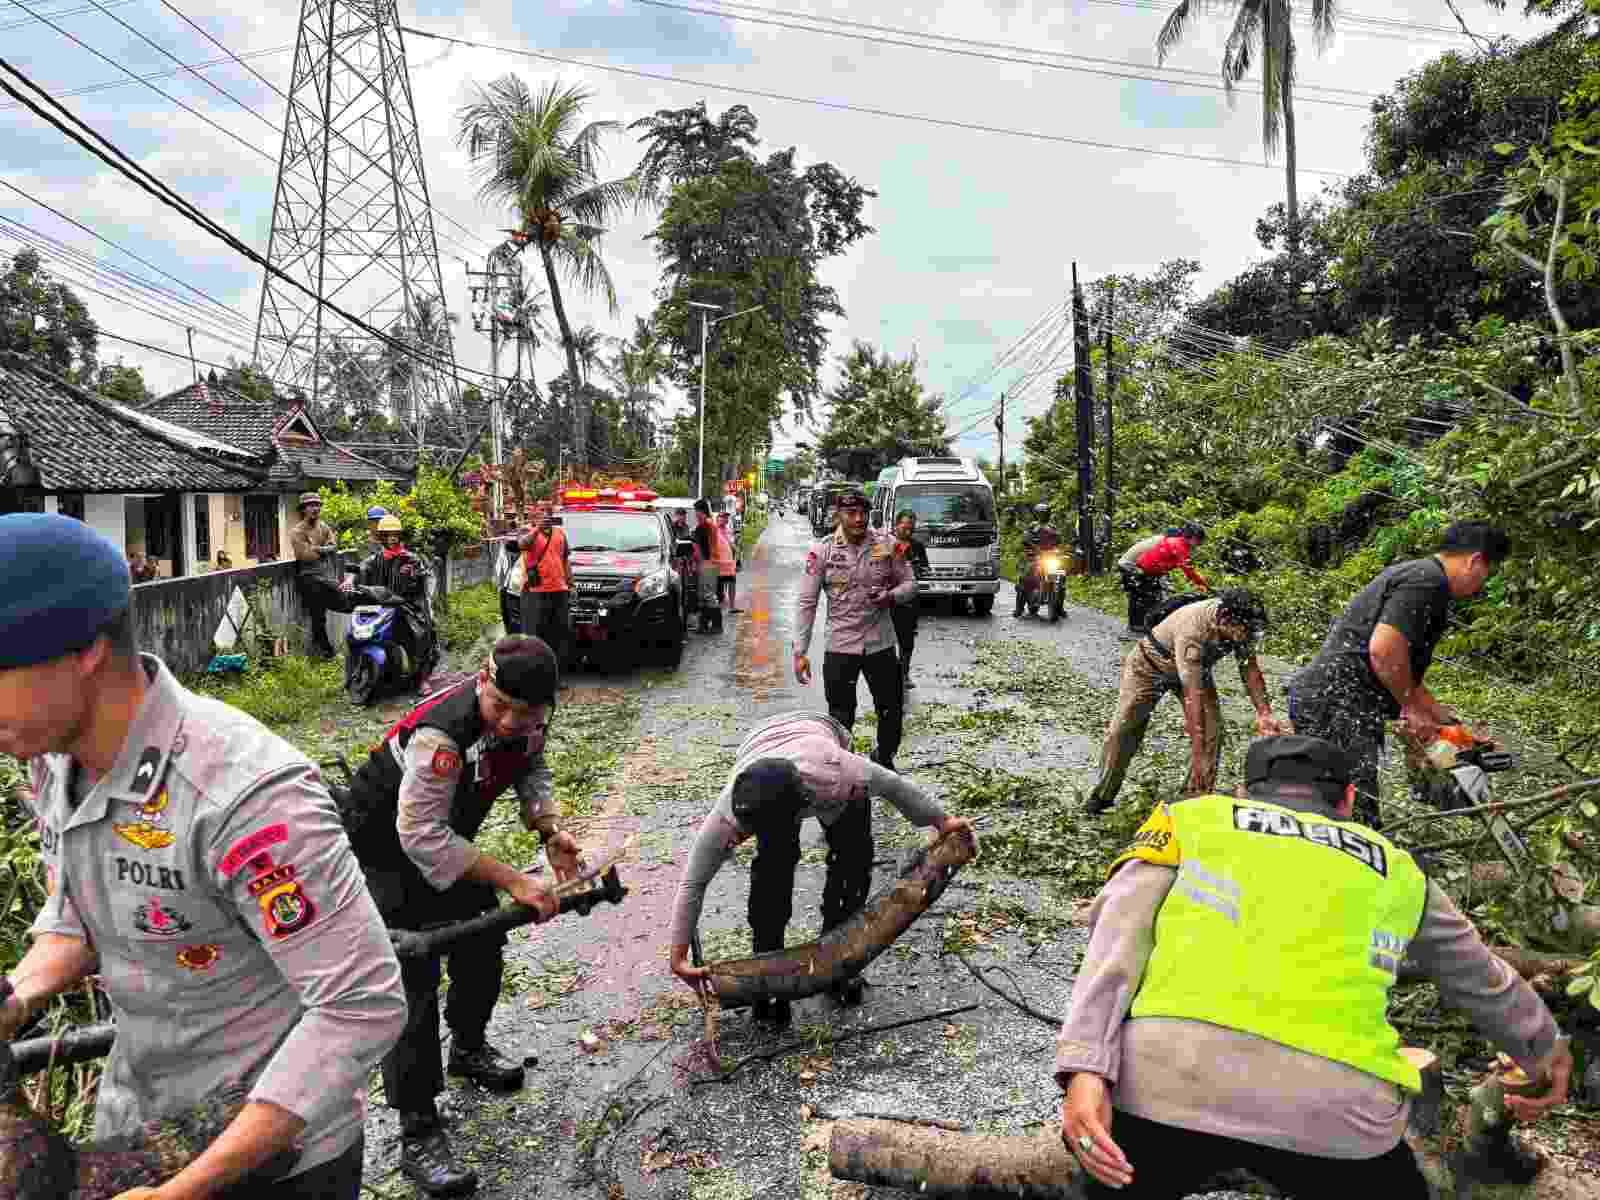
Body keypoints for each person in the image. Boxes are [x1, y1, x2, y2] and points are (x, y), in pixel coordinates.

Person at [0, 513, 406, 1200]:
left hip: (271, 1155)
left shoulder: (243, 795)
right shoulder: (51, 756)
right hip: (138, 1122)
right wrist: (18, 997)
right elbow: (78, 916)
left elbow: (360, 1003)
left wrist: (184, 1191)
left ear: (86, 651)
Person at [1057, 733, 1573, 1199]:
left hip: (1166, 1084)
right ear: (1347, 800)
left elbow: (1114, 944)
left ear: (1243, 792)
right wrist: (1546, 1050)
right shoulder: (1397, 867)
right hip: (1338, 1114)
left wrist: (1085, 1069)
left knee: (1113, 1178)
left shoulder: (1188, 819)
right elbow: (1481, 979)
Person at [337, 634, 581, 1197]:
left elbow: (530, 765)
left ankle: (468, 1048)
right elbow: (420, 836)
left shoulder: (529, 721)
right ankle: (419, 1130)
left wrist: (549, 828)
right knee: (412, 982)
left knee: (482, 944)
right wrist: (513, 878)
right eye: (501, 707)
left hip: (443, 839)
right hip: (386, 851)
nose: (511, 722)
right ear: (482, 681)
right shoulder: (441, 737)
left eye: (527, 714)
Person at [667, 711, 975, 1025]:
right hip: (761, 744)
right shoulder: (732, 811)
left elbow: (895, 786)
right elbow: (693, 883)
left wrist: (943, 821)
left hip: (819, 736)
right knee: (773, 870)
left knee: (852, 858)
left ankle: (839, 964)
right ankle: (767, 979)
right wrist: (678, 957)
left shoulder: (842, 773)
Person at [1287, 521, 1510, 831]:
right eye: (1486, 575)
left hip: (1341, 702)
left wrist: (1448, 723)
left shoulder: (1423, 579)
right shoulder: (1427, 582)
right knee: (1352, 815)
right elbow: (1383, 651)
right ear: (1475, 561)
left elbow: (1406, 673)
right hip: (1336, 701)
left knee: (1340, 805)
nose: (1480, 585)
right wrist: (1411, 709)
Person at [1085, 590, 1283, 815]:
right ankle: (1102, 796)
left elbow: (1249, 669)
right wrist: (1197, 756)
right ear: (1225, 620)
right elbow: (1192, 698)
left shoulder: (1241, 626)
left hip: (1197, 669)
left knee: (1212, 731)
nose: (1248, 636)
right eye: (1245, 631)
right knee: (1123, 729)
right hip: (1149, 666)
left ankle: (1194, 800)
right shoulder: (1194, 630)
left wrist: (1264, 712)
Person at [794, 489, 915, 772]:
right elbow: (807, 602)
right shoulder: (822, 551)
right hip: (840, 646)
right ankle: (844, 768)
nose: (859, 519)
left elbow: (911, 584)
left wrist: (891, 596)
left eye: (863, 513)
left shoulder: (889, 545)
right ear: (838, 515)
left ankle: (884, 758)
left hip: (880, 644)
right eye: (851, 513)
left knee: (891, 709)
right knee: (840, 716)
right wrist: (800, 651)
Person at [350, 515, 437, 679]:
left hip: (405, 604)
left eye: (395, 534)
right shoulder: (374, 559)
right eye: (388, 535)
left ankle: (421, 675)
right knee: (354, 634)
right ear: (382, 537)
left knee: (419, 633)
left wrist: (413, 575)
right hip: (379, 605)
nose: (392, 538)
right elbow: (361, 570)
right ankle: (354, 668)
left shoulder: (410, 558)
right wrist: (350, 580)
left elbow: (420, 579)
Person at [1116, 523, 1210, 635]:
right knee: (1140, 596)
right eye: (1198, 540)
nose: (1199, 543)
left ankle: (1144, 625)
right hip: (1131, 566)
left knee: (1152, 595)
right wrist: (1202, 584)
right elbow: (1188, 569)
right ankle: (1135, 629)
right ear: (1191, 537)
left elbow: (1162, 562)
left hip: (1143, 567)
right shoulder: (1177, 544)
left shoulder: (1171, 541)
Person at [288, 491, 348, 659]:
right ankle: (325, 652)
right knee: (318, 617)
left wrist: (318, 549)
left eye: (317, 505)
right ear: (303, 509)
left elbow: (333, 546)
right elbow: (306, 556)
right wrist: (324, 550)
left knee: (345, 601)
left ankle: (324, 651)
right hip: (310, 579)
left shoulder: (323, 527)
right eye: (311, 505)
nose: (315, 509)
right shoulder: (297, 531)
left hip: (326, 577)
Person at [516, 501, 572, 665]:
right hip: (535, 592)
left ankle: (554, 670)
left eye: (549, 510)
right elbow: (522, 544)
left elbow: (565, 560)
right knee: (534, 636)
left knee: (558, 635)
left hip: (559, 591)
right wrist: (537, 529)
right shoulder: (527, 530)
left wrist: (571, 585)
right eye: (542, 510)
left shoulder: (560, 533)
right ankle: (533, 669)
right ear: (534, 513)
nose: (546, 513)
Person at [890, 510, 929, 690]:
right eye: (904, 527)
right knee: (886, 641)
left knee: (907, 641)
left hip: (909, 602)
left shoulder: (917, 546)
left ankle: (904, 674)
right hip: (888, 600)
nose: (907, 531)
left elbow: (925, 569)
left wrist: (916, 568)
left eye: (911, 529)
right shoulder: (885, 543)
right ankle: (888, 674)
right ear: (896, 525)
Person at [1016, 503, 1062, 617]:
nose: (1044, 515)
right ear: (1037, 514)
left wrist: (1059, 549)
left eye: (1046, 513)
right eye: (1041, 514)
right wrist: (1031, 546)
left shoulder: (1052, 527)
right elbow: (1026, 538)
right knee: (1025, 577)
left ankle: (1060, 608)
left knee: (1061, 577)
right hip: (1035, 556)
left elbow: (1058, 540)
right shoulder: (1033, 526)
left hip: (1049, 557)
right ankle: (1019, 608)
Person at [692, 499, 722, 633]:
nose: (695, 514)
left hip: (708, 563)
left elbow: (701, 546)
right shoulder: (708, 524)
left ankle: (716, 625)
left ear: (701, 512)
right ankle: (703, 625)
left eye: (696, 511)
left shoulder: (706, 525)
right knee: (704, 596)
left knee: (709, 595)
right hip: (708, 562)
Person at [713, 511, 740, 613]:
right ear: (717, 519)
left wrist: (737, 560)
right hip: (718, 563)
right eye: (723, 517)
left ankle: (732, 606)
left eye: (726, 518)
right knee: (719, 586)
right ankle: (719, 607)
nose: (725, 519)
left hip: (729, 563)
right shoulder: (714, 531)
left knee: (732, 583)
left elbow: (732, 545)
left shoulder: (728, 531)